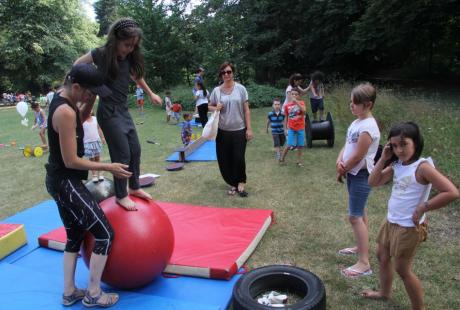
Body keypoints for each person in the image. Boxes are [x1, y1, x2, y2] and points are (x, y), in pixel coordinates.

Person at [45, 63, 132, 307]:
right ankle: (94, 294)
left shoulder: (67, 100)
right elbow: (71, 160)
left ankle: (69, 291)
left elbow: (80, 119)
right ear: (75, 87)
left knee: (74, 236)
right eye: (88, 93)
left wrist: (92, 97)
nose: (89, 97)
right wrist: (109, 167)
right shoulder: (64, 111)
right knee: (105, 234)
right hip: (65, 182)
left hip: (60, 180)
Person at [361, 122, 459, 309]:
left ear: (416, 142)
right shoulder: (398, 165)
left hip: (408, 226)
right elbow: (373, 181)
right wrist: (383, 158)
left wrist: (424, 207)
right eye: (395, 145)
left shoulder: (422, 167)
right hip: (391, 221)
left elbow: (452, 192)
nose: (399, 150)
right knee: (382, 256)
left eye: (404, 144)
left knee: (402, 270)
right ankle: (384, 292)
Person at [74, 17, 162, 211]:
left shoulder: (129, 58)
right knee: (122, 153)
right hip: (108, 111)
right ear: (115, 39)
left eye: (133, 46)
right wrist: (88, 85)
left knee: (135, 150)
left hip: (123, 110)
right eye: (126, 45)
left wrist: (150, 93)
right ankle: (121, 195)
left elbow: (137, 77)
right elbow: (78, 65)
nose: (129, 49)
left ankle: (134, 187)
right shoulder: (101, 53)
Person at [336, 82, 381, 279]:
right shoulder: (356, 123)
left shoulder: (369, 127)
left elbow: (359, 155)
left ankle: (364, 263)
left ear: (368, 104)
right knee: (360, 213)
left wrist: (344, 167)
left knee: (354, 216)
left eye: (355, 102)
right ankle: (360, 246)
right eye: (351, 102)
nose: (351, 105)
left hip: (362, 175)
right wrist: (339, 161)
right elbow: (347, 147)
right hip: (352, 174)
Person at [209, 61, 253, 197]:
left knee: (238, 157)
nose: (226, 74)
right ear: (221, 75)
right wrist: (215, 108)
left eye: (229, 72)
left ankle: (241, 182)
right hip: (222, 131)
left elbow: (246, 110)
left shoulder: (241, 89)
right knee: (224, 159)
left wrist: (249, 128)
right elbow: (208, 106)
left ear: (233, 73)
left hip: (239, 130)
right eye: (223, 72)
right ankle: (233, 183)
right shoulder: (216, 91)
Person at [279, 88, 306, 166]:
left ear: (299, 95)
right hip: (291, 128)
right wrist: (285, 128)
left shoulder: (301, 103)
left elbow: (304, 111)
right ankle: (282, 158)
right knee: (289, 144)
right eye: (292, 94)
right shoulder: (287, 106)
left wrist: (297, 102)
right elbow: (286, 117)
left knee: (300, 145)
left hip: (300, 127)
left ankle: (299, 161)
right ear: (290, 95)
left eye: (296, 94)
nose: (294, 96)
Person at [83, 111, 106, 183]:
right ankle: (94, 175)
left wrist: (102, 138)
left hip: (96, 141)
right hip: (87, 143)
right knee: (91, 160)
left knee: (98, 159)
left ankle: (100, 174)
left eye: (90, 109)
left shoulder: (95, 119)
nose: (89, 111)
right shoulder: (82, 121)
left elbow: (99, 129)